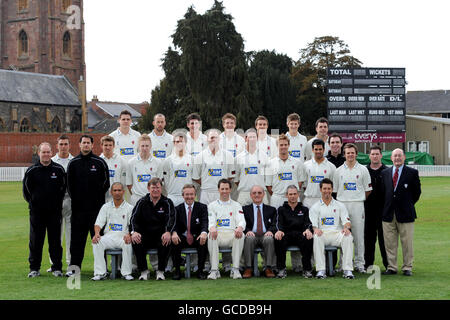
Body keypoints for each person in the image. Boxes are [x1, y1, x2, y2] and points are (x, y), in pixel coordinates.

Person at [66, 135, 110, 276]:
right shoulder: (73, 163)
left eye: (88, 143)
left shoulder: (100, 163)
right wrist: (80, 199)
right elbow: (69, 186)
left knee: (98, 240)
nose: (86, 145)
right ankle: (74, 269)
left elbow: (106, 184)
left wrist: (95, 199)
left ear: (92, 145)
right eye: (83, 143)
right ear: (79, 145)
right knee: (76, 242)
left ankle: (101, 269)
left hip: (96, 210)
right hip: (78, 210)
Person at [23, 142, 66, 278]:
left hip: (54, 212)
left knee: (55, 241)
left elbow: (63, 189)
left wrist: (56, 204)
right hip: (37, 213)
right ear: (39, 153)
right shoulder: (32, 171)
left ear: (51, 153)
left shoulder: (59, 170)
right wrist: (34, 204)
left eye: (48, 152)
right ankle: (34, 268)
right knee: (36, 241)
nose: (46, 154)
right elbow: (26, 191)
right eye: (43, 152)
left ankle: (57, 267)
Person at [380, 149, 421, 276]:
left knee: (407, 242)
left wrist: (407, 205)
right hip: (388, 214)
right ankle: (392, 267)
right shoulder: (385, 173)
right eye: (395, 156)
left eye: (400, 156)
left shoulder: (412, 173)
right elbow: (383, 193)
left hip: (405, 213)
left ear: (404, 157)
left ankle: (407, 267)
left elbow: (416, 193)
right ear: (391, 158)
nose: (397, 158)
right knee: (389, 243)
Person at [333, 143, 372, 273]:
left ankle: (360, 263)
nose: (350, 155)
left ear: (356, 154)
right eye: (348, 153)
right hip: (342, 204)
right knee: (344, 235)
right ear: (344, 154)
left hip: (357, 204)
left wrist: (357, 197)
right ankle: (344, 263)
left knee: (359, 236)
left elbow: (367, 190)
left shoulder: (363, 170)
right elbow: (335, 190)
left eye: (352, 153)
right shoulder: (338, 171)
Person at [130, 178, 176, 281]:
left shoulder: (167, 202)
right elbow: (133, 219)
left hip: (160, 235)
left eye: (158, 188)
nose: (155, 190)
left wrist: (168, 231)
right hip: (145, 235)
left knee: (166, 240)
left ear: (161, 188)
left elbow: (172, 218)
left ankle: (160, 271)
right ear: (148, 188)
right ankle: (144, 271)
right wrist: (134, 232)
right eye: (153, 188)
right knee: (136, 240)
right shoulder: (141, 202)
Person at [309, 178, 355, 279]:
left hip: (337, 234)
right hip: (323, 234)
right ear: (320, 189)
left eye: (329, 188)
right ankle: (321, 270)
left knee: (348, 236)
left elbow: (347, 221)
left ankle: (347, 270)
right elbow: (314, 225)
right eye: (324, 188)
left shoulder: (340, 205)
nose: (327, 191)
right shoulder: (315, 207)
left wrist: (346, 228)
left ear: (332, 189)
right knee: (316, 236)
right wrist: (316, 229)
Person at [91, 182, 134, 281]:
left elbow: (132, 225)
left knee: (128, 243)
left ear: (123, 192)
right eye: (115, 190)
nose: (117, 192)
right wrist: (97, 234)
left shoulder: (129, 208)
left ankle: (126, 273)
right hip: (109, 237)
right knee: (97, 242)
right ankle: (100, 273)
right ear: (111, 192)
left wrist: (129, 235)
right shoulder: (105, 207)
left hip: (122, 237)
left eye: (119, 190)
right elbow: (98, 223)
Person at [207, 179, 246, 280]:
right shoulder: (212, 205)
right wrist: (212, 228)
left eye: (226, 189)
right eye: (222, 189)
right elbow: (211, 221)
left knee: (240, 235)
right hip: (218, 234)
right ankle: (214, 270)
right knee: (210, 235)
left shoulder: (237, 205)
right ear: (218, 190)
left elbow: (241, 220)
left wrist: (240, 228)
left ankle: (235, 269)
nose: (224, 191)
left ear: (230, 190)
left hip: (231, 234)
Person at [274, 185, 314, 279]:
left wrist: (308, 230)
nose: (292, 196)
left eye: (294, 194)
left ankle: (307, 269)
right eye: (290, 194)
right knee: (278, 238)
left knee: (308, 238)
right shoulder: (281, 209)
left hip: (300, 234)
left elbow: (308, 223)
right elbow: (278, 223)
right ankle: (281, 269)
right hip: (286, 234)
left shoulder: (304, 209)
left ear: (298, 195)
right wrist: (279, 231)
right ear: (286, 195)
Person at [171, 184, 209, 280]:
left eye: (191, 194)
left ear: (195, 195)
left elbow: (205, 222)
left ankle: (200, 271)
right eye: (187, 194)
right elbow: (174, 224)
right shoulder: (177, 209)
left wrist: (204, 232)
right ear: (183, 195)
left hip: (196, 236)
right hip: (183, 236)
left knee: (203, 241)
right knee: (174, 241)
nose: (189, 197)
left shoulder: (202, 207)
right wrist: (174, 233)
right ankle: (177, 271)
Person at [192, 129, 235, 205]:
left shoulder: (228, 155)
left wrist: (222, 186)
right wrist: (207, 183)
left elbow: (230, 176)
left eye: (216, 137)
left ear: (219, 139)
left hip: (222, 192)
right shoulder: (199, 156)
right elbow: (196, 177)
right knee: (205, 216)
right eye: (211, 137)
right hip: (206, 192)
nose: (214, 140)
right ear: (207, 139)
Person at [242, 185, 277, 278]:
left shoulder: (271, 209)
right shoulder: (244, 209)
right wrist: (247, 231)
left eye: (259, 193)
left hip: (265, 235)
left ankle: (268, 268)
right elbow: (241, 223)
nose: (257, 195)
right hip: (252, 235)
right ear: (250, 195)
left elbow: (274, 224)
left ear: (264, 194)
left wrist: (270, 231)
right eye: (254, 193)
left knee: (269, 239)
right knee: (249, 238)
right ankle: (248, 268)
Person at [50, 135, 74, 268]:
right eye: (61, 144)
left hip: (70, 200)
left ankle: (70, 262)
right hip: (55, 201)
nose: (63, 146)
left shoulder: (74, 161)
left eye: (66, 144)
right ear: (57, 145)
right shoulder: (52, 161)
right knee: (55, 234)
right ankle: (55, 262)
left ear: (69, 145)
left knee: (70, 234)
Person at [364, 146, 388, 271]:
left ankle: (388, 265)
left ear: (381, 155)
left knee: (384, 241)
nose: (375, 156)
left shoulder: (386, 171)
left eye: (377, 154)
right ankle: (368, 265)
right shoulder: (364, 170)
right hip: (368, 211)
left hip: (383, 212)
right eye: (372, 154)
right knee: (368, 240)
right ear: (369, 156)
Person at [266, 134, 303, 209]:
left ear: (289, 145)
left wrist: (292, 194)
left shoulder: (297, 162)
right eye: (281, 145)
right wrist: (278, 195)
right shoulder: (270, 163)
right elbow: (268, 185)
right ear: (277, 146)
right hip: (277, 198)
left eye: (285, 144)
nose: (283, 147)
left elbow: (300, 182)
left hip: (293, 198)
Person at [235, 128, 270, 206]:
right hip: (244, 193)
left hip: (261, 193)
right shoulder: (238, 158)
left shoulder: (264, 156)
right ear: (245, 138)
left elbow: (268, 178)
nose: (252, 139)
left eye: (254, 137)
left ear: (257, 139)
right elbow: (236, 179)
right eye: (250, 137)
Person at [126, 134, 162, 206]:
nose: (145, 148)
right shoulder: (131, 162)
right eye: (142, 146)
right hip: (136, 199)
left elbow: (159, 183)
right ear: (139, 147)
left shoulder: (158, 162)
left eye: (147, 146)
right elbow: (129, 184)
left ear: (151, 146)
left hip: (153, 198)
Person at [301, 139, 336, 209]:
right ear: (312, 150)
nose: (318, 151)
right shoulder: (305, 165)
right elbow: (304, 185)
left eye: (320, 149)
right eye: (316, 149)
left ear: (324, 149)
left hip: (325, 200)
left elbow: (333, 186)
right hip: (309, 200)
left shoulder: (331, 166)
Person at [162, 132, 194, 207]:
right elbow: (166, 180)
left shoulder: (192, 159)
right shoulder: (168, 160)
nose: (179, 143)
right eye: (177, 141)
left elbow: (193, 179)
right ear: (174, 143)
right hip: (172, 196)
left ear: (185, 142)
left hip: (187, 197)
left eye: (181, 141)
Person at [100, 135, 127, 203]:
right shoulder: (98, 161)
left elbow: (123, 181)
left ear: (114, 146)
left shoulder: (121, 161)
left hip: (117, 197)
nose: (108, 147)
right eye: (105, 145)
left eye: (110, 145)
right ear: (101, 146)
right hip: (102, 197)